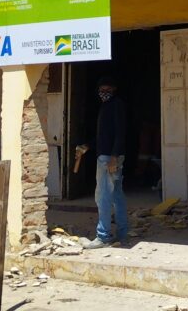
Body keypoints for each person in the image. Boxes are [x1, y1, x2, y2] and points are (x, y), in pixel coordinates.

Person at [78, 75, 128, 249]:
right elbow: (104, 136)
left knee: (103, 196)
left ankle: (103, 236)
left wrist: (114, 157)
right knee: (116, 196)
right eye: (102, 90)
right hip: (109, 155)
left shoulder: (115, 105)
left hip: (109, 158)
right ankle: (123, 234)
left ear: (114, 90)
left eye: (108, 90)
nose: (104, 93)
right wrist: (88, 146)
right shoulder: (106, 107)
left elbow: (120, 132)